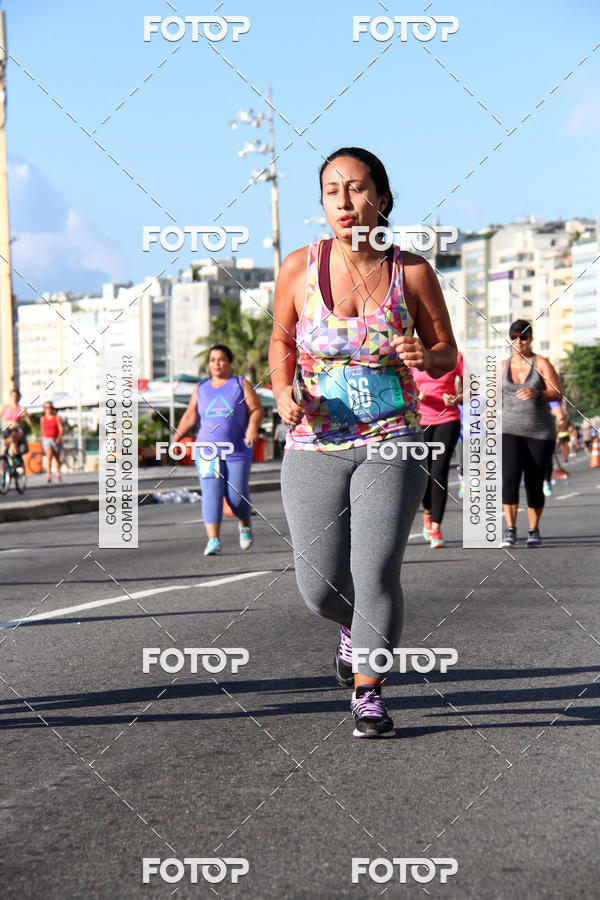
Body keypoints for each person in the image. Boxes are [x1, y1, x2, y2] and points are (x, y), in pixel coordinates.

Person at [270, 147, 457, 738]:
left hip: (392, 440)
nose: (345, 202)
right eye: (332, 191)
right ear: (322, 203)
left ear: (381, 196)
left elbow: (447, 350)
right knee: (320, 587)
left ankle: (369, 692)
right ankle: (353, 630)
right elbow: (279, 344)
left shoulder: (414, 273)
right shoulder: (299, 268)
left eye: (356, 189)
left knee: (374, 572)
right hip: (313, 442)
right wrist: (280, 393)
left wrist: (426, 357)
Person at [174, 344, 263, 556]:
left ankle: (245, 521)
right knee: (211, 494)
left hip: (237, 449)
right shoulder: (201, 388)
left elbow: (257, 409)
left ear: (230, 363)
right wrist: (175, 439)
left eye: (221, 359)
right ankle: (213, 540)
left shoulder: (240, 384)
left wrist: (252, 427)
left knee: (236, 497)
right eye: (213, 359)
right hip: (206, 450)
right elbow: (190, 416)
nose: (216, 363)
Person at [501, 320, 562, 548]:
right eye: (514, 337)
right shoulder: (502, 366)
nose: (519, 342)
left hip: (540, 432)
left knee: (534, 482)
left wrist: (536, 392)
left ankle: (533, 529)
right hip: (510, 430)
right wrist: (457, 398)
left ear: (531, 339)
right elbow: (483, 391)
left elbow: (557, 393)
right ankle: (510, 529)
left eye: (523, 337)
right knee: (510, 479)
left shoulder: (541, 363)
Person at [411, 351, 463, 548]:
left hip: (448, 418)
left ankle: (436, 527)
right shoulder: (412, 354)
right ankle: (428, 512)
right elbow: (399, 387)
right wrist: (415, 394)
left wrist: (457, 398)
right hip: (420, 420)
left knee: (438, 472)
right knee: (423, 473)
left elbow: (472, 390)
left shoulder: (454, 356)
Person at [1, 389, 33, 462]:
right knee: (3, 448)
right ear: (10, 397)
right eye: (12, 396)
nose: (14, 398)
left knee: (13, 437)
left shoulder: (21, 408)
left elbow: (30, 424)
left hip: (17, 431)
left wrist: (27, 415)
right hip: (7, 430)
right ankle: (3, 469)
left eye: (16, 396)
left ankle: (17, 458)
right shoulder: (5, 407)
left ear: (18, 397)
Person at [41, 401, 64, 482]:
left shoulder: (57, 417)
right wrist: (42, 440)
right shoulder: (43, 418)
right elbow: (42, 430)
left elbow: (61, 429)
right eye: (47, 408)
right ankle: (48, 476)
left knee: (57, 458)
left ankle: (58, 473)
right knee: (49, 457)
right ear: (44, 409)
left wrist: (59, 438)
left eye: (50, 407)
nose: (48, 409)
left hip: (56, 439)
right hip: (47, 439)